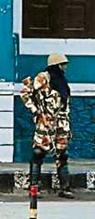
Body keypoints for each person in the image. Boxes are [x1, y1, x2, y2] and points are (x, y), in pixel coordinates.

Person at [20, 53, 75, 198]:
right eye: (63, 64)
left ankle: (65, 188)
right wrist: (36, 111)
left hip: (61, 123)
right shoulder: (43, 78)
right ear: (56, 66)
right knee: (39, 153)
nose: (65, 67)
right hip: (46, 122)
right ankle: (33, 188)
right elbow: (25, 93)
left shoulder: (62, 81)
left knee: (62, 154)